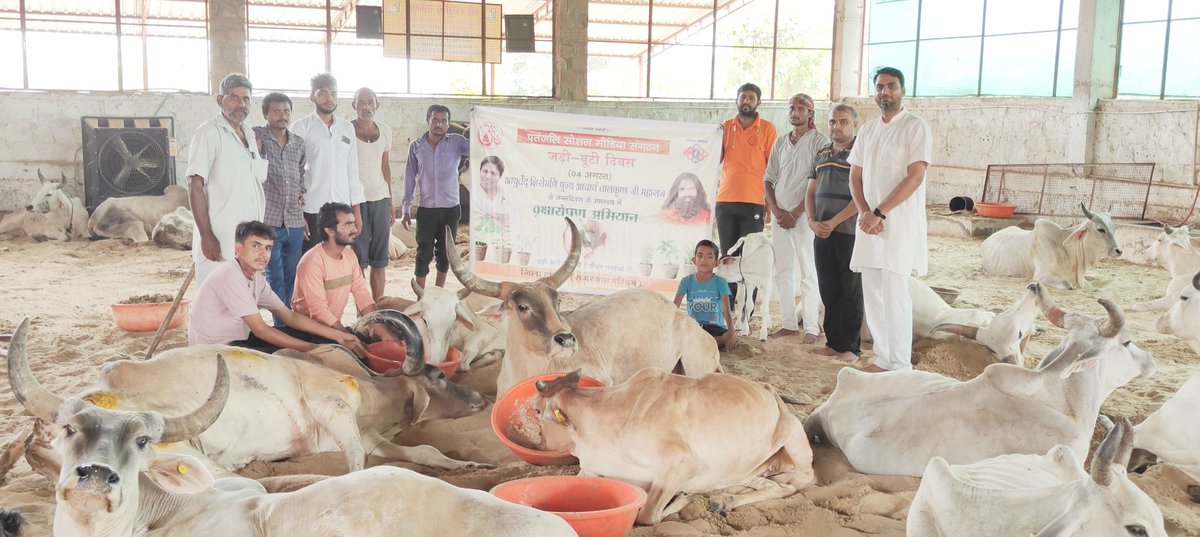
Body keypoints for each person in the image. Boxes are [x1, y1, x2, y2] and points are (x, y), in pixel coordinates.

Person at [848, 67, 933, 372]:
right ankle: (883, 358)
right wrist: (865, 213)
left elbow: (916, 176)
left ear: (902, 89)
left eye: (891, 86)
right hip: (869, 223)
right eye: (880, 87)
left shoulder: (915, 127)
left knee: (896, 292)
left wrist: (880, 212)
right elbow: (854, 176)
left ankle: (900, 363)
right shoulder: (869, 130)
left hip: (897, 223)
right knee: (872, 291)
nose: (885, 92)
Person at [188, 220, 366, 357]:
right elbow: (261, 329)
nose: (263, 254)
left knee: (310, 337)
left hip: (239, 340)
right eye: (255, 246)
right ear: (238, 249)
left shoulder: (256, 278)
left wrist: (337, 336)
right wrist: (313, 349)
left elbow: (288, 316)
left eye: (267, 248)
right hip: (216, 350)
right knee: (294, 358)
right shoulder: (230, 276)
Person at [186, 73, 267, 284]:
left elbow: (257, 178)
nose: (241, 104)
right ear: (220, 100)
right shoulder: (208, 133)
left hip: (248, 240)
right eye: (234, 97)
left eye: (246, 99)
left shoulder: (249, 134)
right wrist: (207, 236)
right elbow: (195, 186)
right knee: (216, 306)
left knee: (242, 306)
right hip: (220, 239)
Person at [764, 93, 829, 343]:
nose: (795, 112)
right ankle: (789, 324)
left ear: (811, 113)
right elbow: (768, 178)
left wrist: (796, 212)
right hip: (781, 216)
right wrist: (777, 210)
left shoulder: (819, 142)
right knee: (783, 270)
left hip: (805, 216)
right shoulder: (781, 142)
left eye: (801, 108)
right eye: (792, 108)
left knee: (808, 270)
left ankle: (812, 327)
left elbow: (819, 183)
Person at [805, 104, 862, 364]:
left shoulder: (860, 154)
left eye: (842, 122)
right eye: (832, 122)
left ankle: (851, 347)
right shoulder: (821, 153)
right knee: (829, 289)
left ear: (854, 125)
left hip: (849, 232)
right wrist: (813, 221)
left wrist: (834, 221)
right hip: (821, 234)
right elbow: (810, 192)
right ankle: (833, 342)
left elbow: (861, 197)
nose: (836, 127)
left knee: (850, 289)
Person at [292, 73, 365, 252]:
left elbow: (352, 172)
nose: (329, 98)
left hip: (343, 209)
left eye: (333, 93)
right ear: (312, 96)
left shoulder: (346, 128)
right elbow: (294, 174)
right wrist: (298, 214)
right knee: (313, 262)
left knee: (341, 261)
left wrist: (356, 213)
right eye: (323, 93)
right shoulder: (300, 128)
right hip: (312, 209)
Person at [402, 104, 470, 288]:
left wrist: (477, 124)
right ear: (428, 121)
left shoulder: (457, 142)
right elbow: (409, 177)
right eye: (435, 120)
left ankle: (439, 291)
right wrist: (406, 208)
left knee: (445, 252)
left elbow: (479, 148)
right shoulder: (416, 146)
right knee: (423, 252)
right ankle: (421, 293)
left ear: (449, 124)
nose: (439, 124)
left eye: (443, 121)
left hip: (451, 209)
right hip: (426, 209)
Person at [252, 92, 306, 312]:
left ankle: (290, 319)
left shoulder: (298, 143)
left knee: (293, 274)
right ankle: (280, 324)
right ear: (266, 114)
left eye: (286, 111)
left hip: (294, 220)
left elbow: (301, 174)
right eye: (276, 111)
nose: (282, 116)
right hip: (268, 220)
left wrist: (301, 193)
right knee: (274, 275)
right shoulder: (257, 136)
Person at [292, 202, 378, 329]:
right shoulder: (311, 262)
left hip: (333, 328)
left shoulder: (350, 255)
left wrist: (379, 328)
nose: (355, 229)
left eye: (353, 223)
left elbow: (361, 293)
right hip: (308, 332)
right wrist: (344, 335)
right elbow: (318, 311)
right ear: (330, 231)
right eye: (348, 225)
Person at [716, 82, 777, 256]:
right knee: (728, 256)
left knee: (750, 257)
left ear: (759, 102)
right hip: (725, 202)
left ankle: (751, 286)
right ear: (736, 100)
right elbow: (715, 159)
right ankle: (729, 286)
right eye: (743, 97)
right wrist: (714, 136)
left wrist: (770, 203)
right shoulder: (725, 127)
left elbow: (773, 168)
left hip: (754, 202)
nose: (746, 101)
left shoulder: (768, 129)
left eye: (751, 98)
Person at [349, 87, 393, 301]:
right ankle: (362, 311)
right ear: (353, 105)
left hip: (381, 199)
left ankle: (379, 306)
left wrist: (391, 201)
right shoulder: (346, 130)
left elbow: (385, 167)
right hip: (357, 201)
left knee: (380, 259)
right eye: (361, 102)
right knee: (359, 259)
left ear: (377, 104)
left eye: (370, 102)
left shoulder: (385, 130)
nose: (366, 106)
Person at [674, 240, 737, 352]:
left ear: (716, 263)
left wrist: (732, 333)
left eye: (709, 257)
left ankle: (699, 344)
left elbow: (726, 310)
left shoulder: (720, 282)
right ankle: (704, 344)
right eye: (700, 256)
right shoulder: (686, 281)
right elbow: (674, 308)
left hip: (715, 329)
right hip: (694, 327)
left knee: (727, 337)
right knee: (679, 333)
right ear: (694, 260)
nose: (703, 260)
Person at [472, 156, 510, 227]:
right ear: (480, 171)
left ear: (500, 177)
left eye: (493, 173)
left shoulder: (504, 195)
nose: (488, 176)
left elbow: (509, 218)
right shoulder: (473, 193)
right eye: (485, 171)